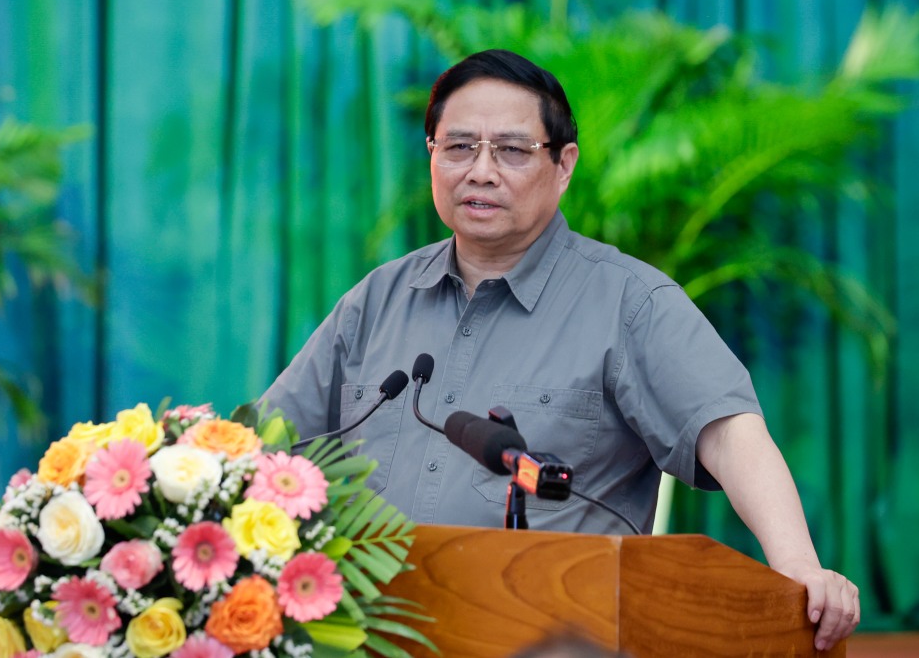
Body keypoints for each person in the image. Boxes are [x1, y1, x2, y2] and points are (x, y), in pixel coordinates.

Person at [261, 49, 859, 650]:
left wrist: (798, 566)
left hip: (550, 635)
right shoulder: (377, 299)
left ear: (564, 165)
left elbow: (728, 433)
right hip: (362, 634)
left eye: (513, 150)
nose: (482, 171)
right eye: (460, 147)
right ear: (432, 156)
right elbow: (265, 445)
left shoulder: (630, 300)